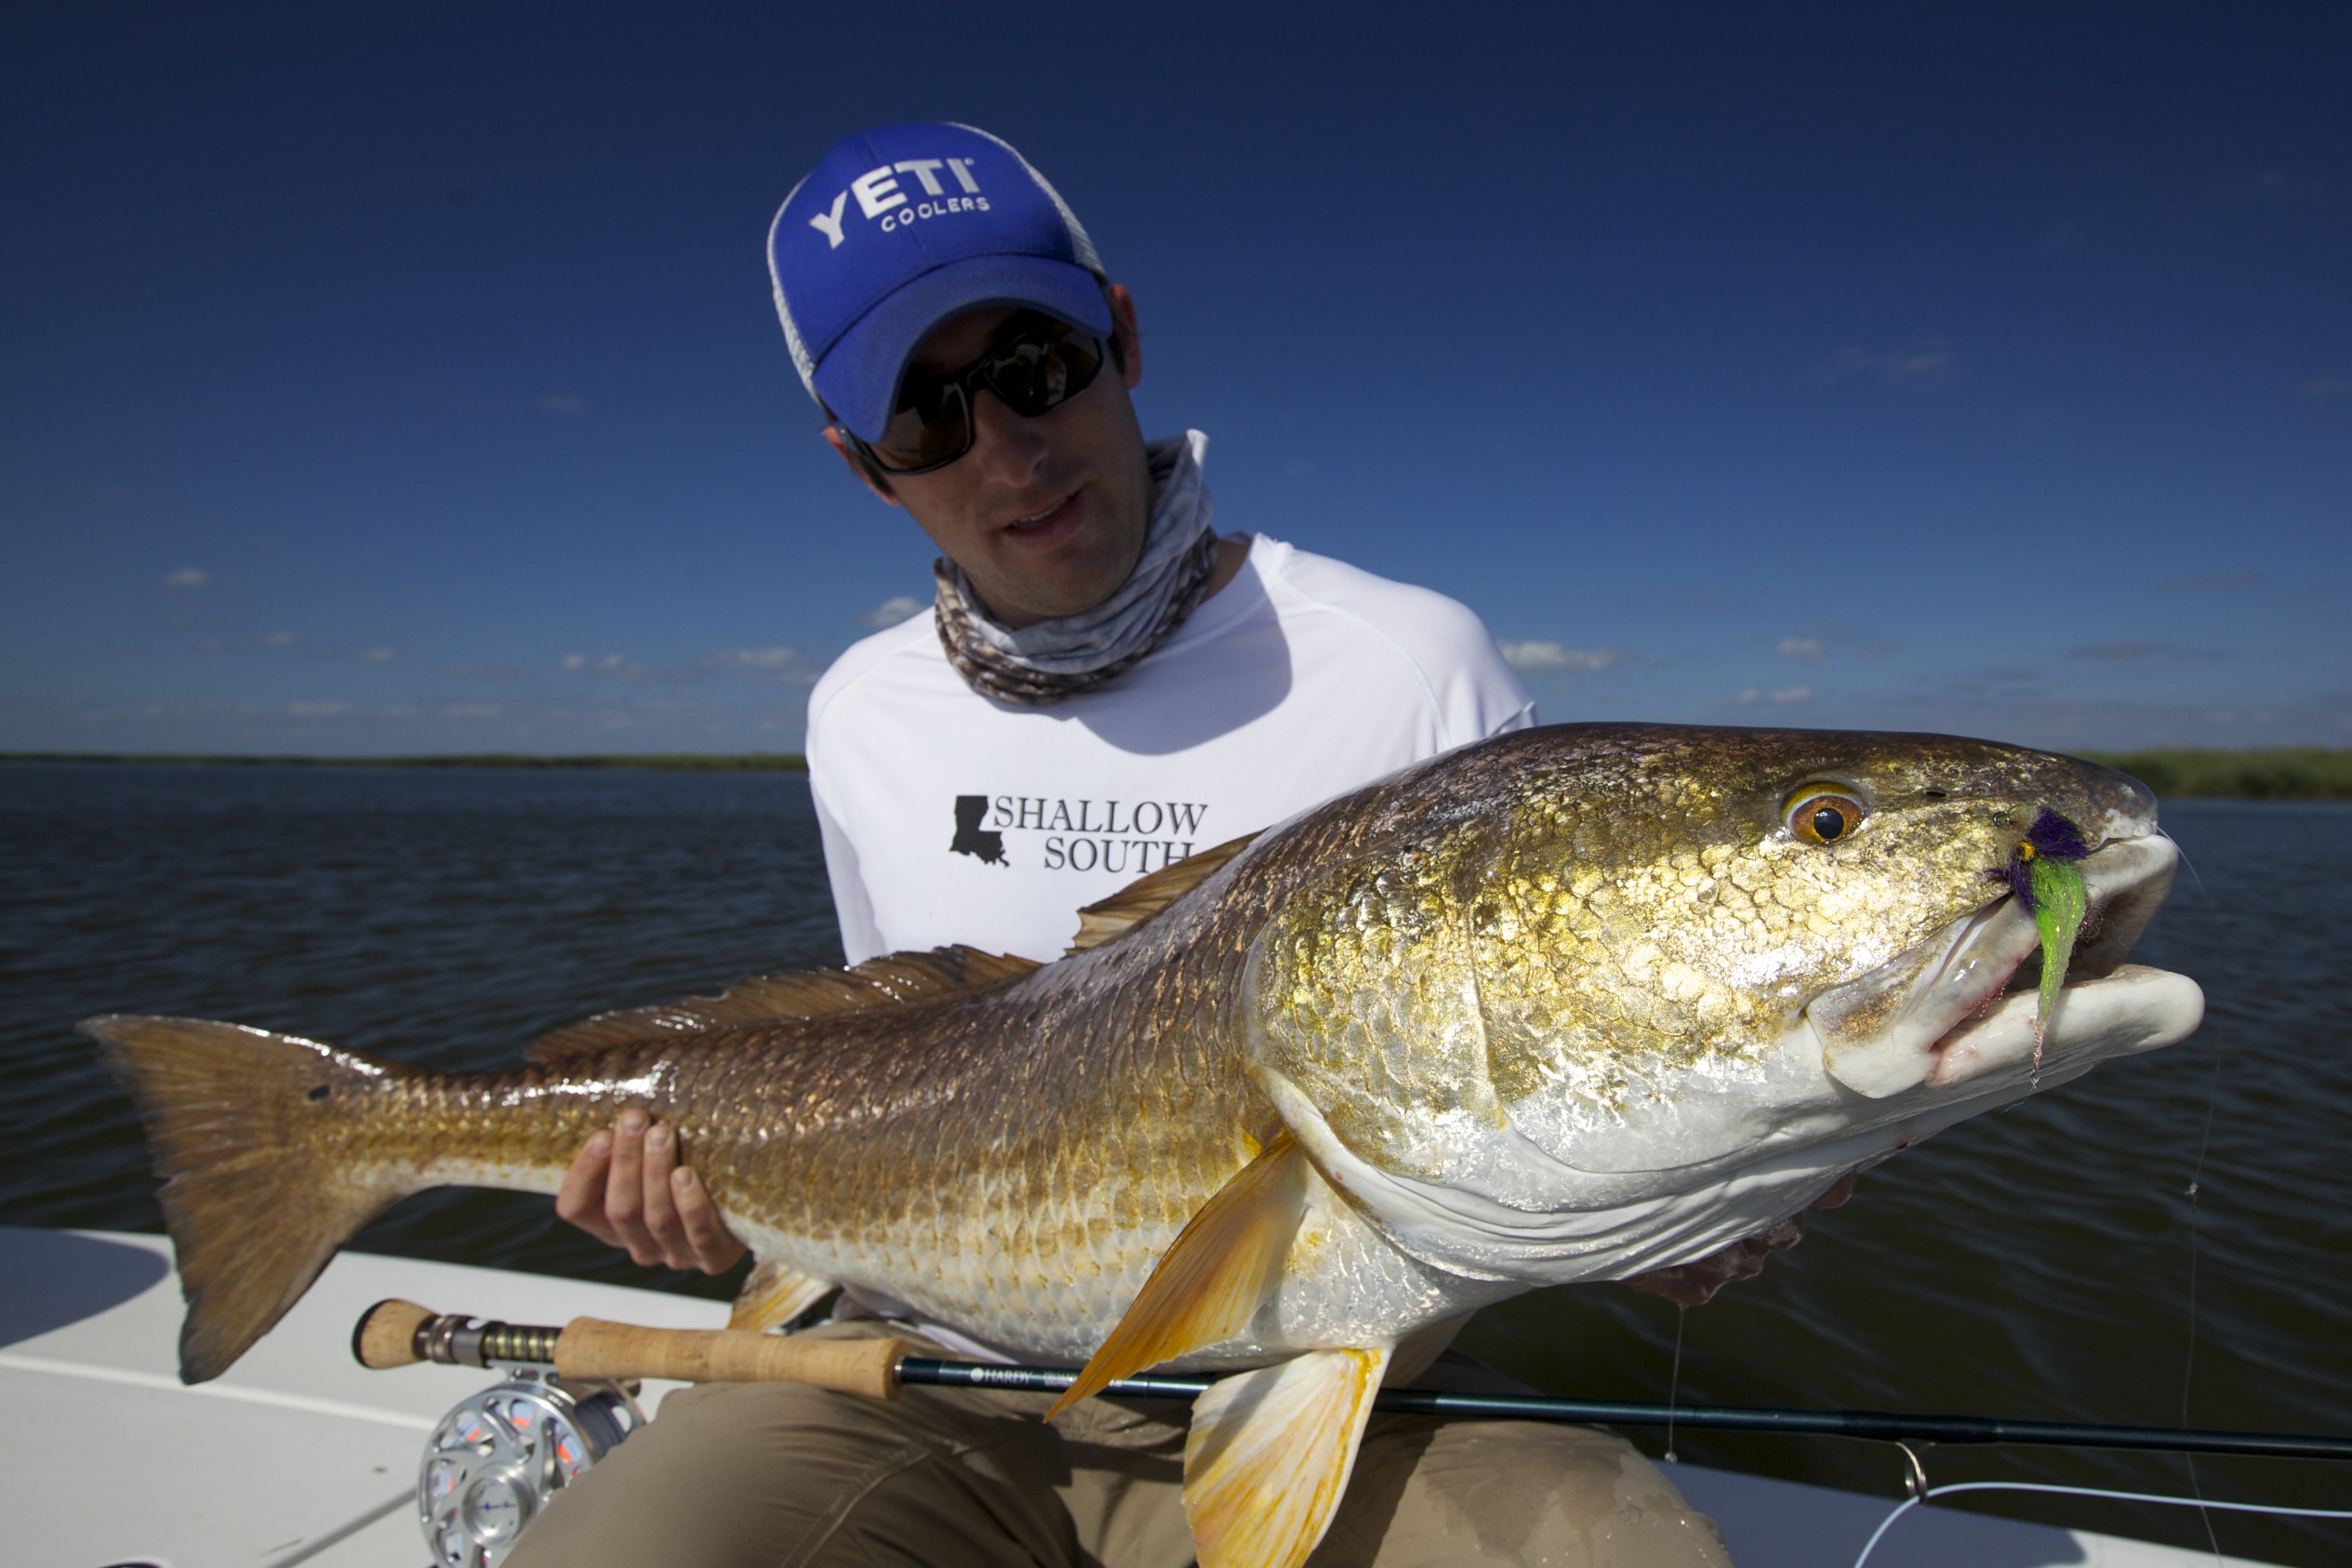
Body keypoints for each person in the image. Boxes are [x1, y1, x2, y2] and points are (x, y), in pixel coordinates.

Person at [508, 122, 1732, 1568]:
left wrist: (1684, 1193)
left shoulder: (1405, 668)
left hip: (1366, 1384)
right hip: (914, 1386)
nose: (1009, 450)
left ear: (1123, 339)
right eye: (925, 418)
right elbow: (893, 1053)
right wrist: (735, 1209)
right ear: (861, 468)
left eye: (1035, 367)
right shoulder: (860, 713)